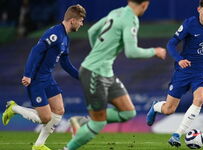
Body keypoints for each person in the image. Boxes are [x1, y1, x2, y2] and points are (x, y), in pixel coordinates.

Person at [63, 0, 166, 149]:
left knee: (128, 112)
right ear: (145, 4)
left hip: (106, 72)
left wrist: (99, 53)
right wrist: (154, 51)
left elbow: (92, 31)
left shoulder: (116, 12)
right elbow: (131, 52)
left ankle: (82, 122)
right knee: (99, 123)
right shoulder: (131, 19)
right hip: (94, 73)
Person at [2, 4, 86, 150]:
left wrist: (81, 77)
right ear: (72, 20)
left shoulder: (65, 39)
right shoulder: (55, 33)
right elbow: (36, 51)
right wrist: (28, 74)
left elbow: (65, 63)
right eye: (81, 20)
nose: (82, 23)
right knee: (45, 118)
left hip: (47, 78)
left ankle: (39, 146)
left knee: (59, 110)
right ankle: (14, 108)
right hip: (36, 79)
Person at [146, 0, 203, 147]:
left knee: (200, 98)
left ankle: (176, 135)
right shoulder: (190, 24)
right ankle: (156, 106)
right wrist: (179, 59)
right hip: (184, 71)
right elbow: (171, 44)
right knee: (169, 109)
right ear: (199, 9)